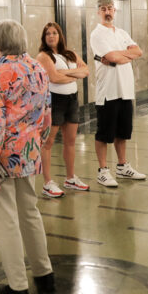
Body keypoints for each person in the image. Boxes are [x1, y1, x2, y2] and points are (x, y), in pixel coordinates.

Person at [0, 19, 55, 294]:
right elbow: (47, 112)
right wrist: (40, 141)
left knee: (7, 220)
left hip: (3, 156)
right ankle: (44, 274)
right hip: (30, 150)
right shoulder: (37, 68)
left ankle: (18, 287)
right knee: (30, 212)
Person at [89, 0, 146, 187]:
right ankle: (103, 171)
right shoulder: (97, 34)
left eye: (110, 8)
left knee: (123, 132)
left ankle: (122, 167)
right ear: (98, 12)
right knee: (104, 133)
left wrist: (119, 56)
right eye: (104, 8)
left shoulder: (122, 32)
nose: (108, 12)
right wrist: (121, 55)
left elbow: (138, 52)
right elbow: (112, 56)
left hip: (126, 90)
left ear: (115, 11)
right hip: (108, 91)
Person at [35, 22, 89, 197]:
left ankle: (70, 178)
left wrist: (64, 74)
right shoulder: (44, 56)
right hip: (54, 101)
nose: (51, 36)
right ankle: (47, 182)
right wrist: (73, 75)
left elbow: (86, 70)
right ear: (44, 38)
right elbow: (54, 78)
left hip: (72, 99)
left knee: (71, 140)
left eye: (54, 33)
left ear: (60, 36)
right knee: (48, 142)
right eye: (48, 34)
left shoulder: (70, 54)